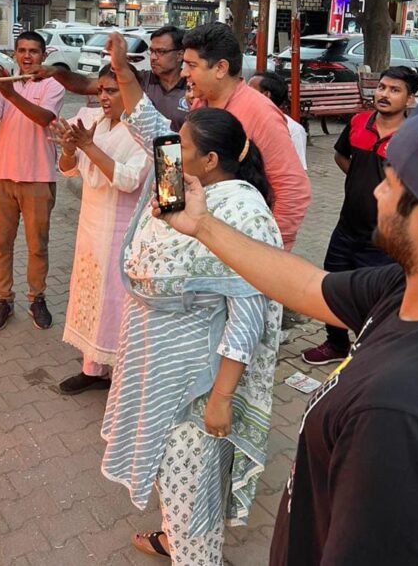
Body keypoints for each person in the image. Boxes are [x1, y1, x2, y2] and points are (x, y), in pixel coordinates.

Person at [149, 100, 418, 566]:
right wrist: (201, 225)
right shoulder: (410, 286)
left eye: (391, 181)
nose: (376, 192)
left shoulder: (403, 417)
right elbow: (306, 285)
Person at [101, 41, 284, 562]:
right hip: (154, 367)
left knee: (193, 495)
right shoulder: (181, 187)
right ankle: (173, 539)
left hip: (198, 385)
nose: (168, 152)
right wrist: (122, 68)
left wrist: (223, 397)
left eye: (180, 145)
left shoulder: (243, 215)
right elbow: (143, 123)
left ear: (209, 160)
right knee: (171, 478)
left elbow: (248, 316)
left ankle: (195, 554)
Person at [113, 24, 310, 250]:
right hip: (197, 240)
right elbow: (171, 155)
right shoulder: (200, 103)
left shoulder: (259, 112)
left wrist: (267, 255)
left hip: (236, 250)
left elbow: (293, 191)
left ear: (220, 68)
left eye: (192, 65)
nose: (184, 72)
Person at [302, 66, 418, 365]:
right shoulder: (357, 123)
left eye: (394, 90)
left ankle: (368, 354)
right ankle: (336, 344)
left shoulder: (413, 138)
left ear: (409, 100)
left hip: (384, 236)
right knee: (332, 286)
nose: (384, 94)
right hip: (345, 228)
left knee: (375, 299)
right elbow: (342, 156)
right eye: (382, 87)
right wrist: (361, 179)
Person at [50, 64, 150, 395]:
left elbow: (128, 179)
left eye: (112, 90)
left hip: (122, 232)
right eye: (101, 90)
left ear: (131, 93)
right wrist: (68, 149)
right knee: (90, 293)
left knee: (117, 303)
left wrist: (89, 147)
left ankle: (123, 377)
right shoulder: (95, 122)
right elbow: (69, 170)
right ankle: (92, 368)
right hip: (91, 228)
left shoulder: (143, 132)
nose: (103, 97)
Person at [0, 31, 65, 332]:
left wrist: (8, 93)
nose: (27, 57)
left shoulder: (53, 84)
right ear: (14, 54)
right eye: (22, 51)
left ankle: (37, 297)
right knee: (0, 245)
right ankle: (3, 300)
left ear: (43, 56)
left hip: (39, 177)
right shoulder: (4, 85)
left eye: (34, 51)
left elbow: (43, 118)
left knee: (37, 246)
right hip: (1, 177)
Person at [35, 25, 188, 130]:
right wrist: (56, 71)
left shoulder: (193, 89)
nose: (153, 57)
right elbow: (85, 85)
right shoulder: (139, 81)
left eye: (160, 52)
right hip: (141, 165)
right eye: (152, 51)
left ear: (180, 55)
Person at [248, 71, 307, 170]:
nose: (243, 93)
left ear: (266, 95)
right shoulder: (240, 119)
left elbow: (297, 171)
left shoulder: (293, 129)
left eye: (249, 90)